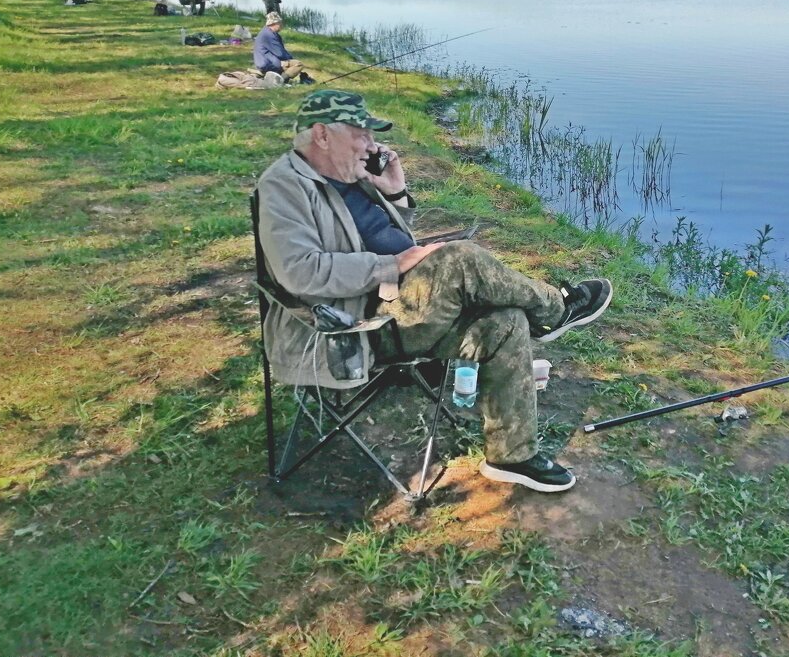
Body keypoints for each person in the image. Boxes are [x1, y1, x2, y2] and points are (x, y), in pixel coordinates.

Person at [256, 90, 613, 493]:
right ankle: (554, 309)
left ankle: (512, 457)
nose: (371, 144)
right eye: (360, 132)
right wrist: (394, 265)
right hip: (356, 328)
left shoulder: (351, 178)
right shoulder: (284, 186)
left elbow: (387, 237)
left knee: (505, 322)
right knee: (459, 257)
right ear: (321, 134)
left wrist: (394, 191)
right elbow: (299, 272)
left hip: (402, 302)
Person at [253, 12, 308, 83]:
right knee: (298, 64)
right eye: (279, 23)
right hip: (268, 64)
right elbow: (280, 53)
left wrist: (289, 59)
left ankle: (279, 76)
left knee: (289, 62)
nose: (281, 25)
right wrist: (290, 60)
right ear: (272, 24)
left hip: (266, 62)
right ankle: (280, 80)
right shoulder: (269, 35)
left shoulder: (268, 32)